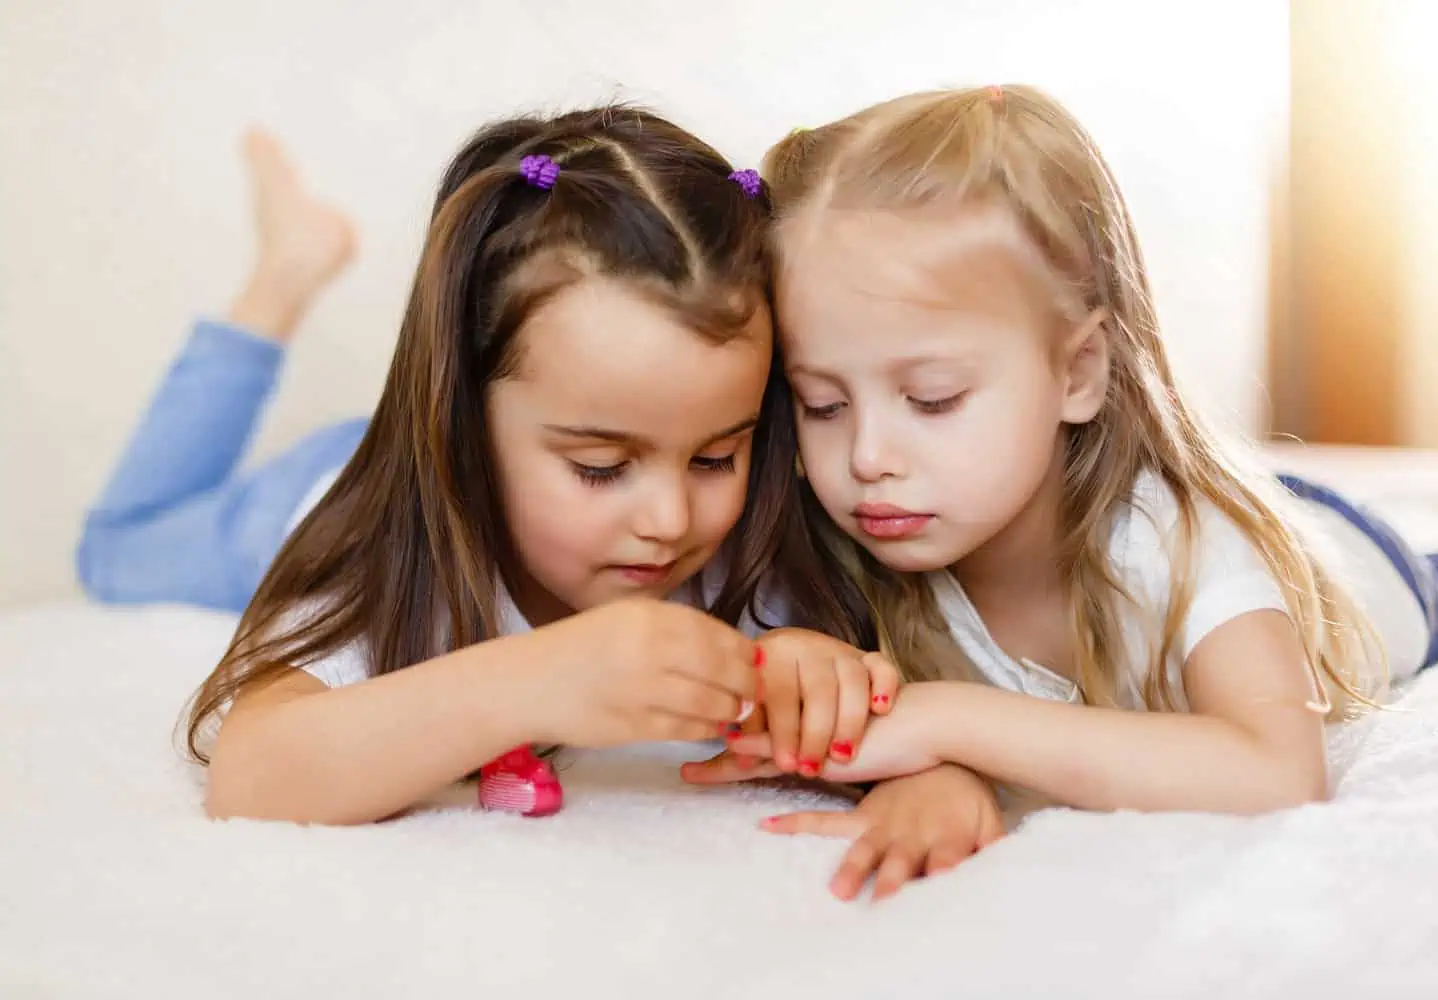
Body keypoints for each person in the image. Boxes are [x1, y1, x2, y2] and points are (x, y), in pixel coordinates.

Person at [687, 84, 1438, 875]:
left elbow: (1277, 771)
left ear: (1078, 371)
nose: (867, 457)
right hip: (1146, 478)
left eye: (932, 399)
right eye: (823, 404)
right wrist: (932, 771)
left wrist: (942, 722)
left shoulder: (1176, 541)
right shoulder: (857, 527)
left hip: (1349, 563)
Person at [81, 107, 900, 826]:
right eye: (602, 467)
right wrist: (540, 678)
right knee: (116, 551)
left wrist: (812, 676)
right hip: (317, 487)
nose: (671, 520)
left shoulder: (750, 546)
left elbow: (844, 685)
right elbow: (252, 777)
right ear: (467, 423)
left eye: (717, 455)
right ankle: (279, 281)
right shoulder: (380, 550)